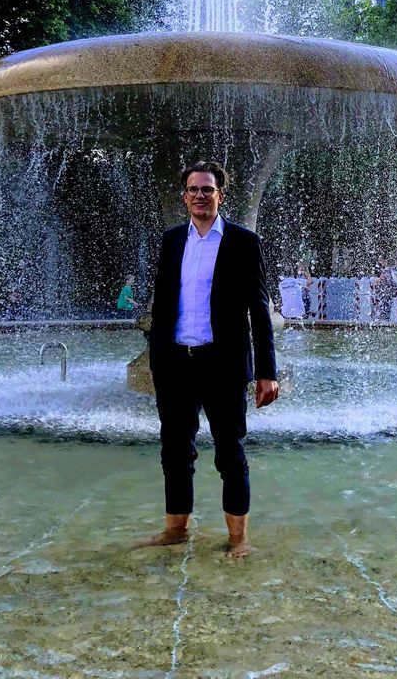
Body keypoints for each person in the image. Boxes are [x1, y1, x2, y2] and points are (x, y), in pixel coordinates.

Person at [138, 160, 279, 559]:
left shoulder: (243, 241)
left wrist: (267, 371)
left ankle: (238, 539)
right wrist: (157, 357)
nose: (200, 196)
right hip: (176, 362)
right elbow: (164, 304)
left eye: (208, 189)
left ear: (220, 194)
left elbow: (260, 309)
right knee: (174, 449)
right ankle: (175, 529)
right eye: (193, 189)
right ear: (184, 196)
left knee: (230, 452)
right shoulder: (171, 241)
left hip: (224, 363)